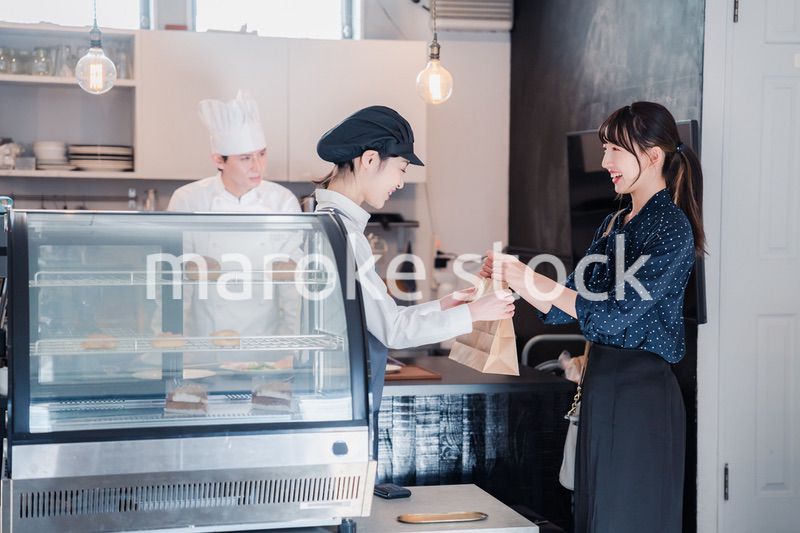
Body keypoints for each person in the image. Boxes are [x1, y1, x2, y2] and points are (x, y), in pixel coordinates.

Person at [483, 101, 705, 533]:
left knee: (628, 516)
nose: (605, 163)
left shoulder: (671, 228)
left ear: (653, 155)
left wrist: (532, 279)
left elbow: (609, 316)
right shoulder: (613, 223)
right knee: (593, 513)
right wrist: (514, 279)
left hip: (643, 393)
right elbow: (572, 300)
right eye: (604, 150)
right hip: (603, 384)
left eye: (614, 151)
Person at [313, 105, 516, 431]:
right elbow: (393, 331)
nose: (401, 182)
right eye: (402, 168)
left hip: (339, 402)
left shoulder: (334, 224)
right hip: (341, 407)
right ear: (369, 160)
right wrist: (476, 313)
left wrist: (442, 305)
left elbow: (383, 319)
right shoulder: (344, 234)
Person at [165, 91, 301, 339]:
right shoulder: (188, 200)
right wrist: (172, 343)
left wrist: (294, 348)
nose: (257, 166)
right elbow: (175, 284)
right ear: (219, 159)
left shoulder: (282, 202)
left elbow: (292, 287)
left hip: (265, 345)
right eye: (245, 158)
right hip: (203, 345)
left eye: (262, 154)